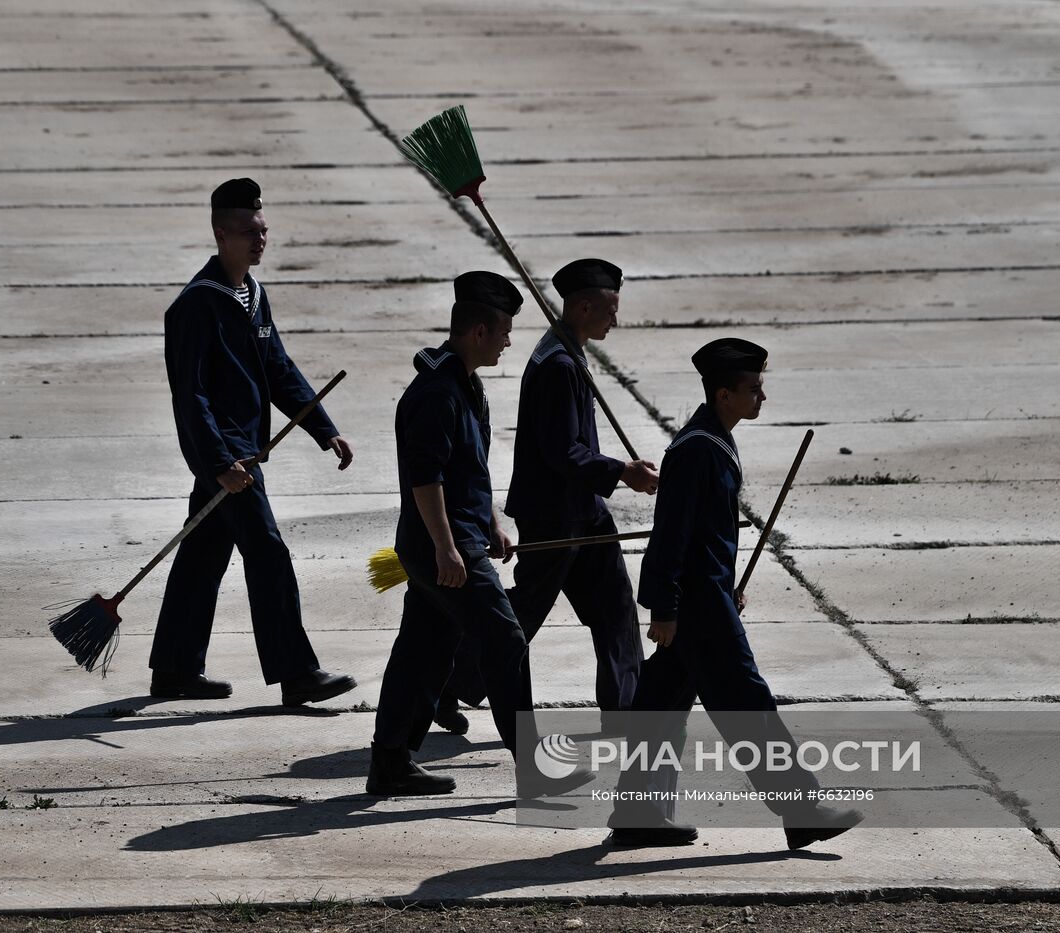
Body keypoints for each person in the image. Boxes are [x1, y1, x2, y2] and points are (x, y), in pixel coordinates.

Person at [605, 338, 863, 849]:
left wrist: (725, 585)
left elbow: (706, 535)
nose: (760, 398)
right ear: (724, 393)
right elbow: (671, 535)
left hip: (707, 595)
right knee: (747, 702)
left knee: (658, 704)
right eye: (752, 390)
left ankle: (637, 815)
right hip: (697, 607)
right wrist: (665, 606)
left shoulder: (714, 439)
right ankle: (803, 810)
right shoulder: (698, 449)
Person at [367, 270, 594, 799]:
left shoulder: (467, 387)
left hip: (456, 539)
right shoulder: (437, 395)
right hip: (441, 546)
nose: (510, 341)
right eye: (504, 332)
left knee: (423, 652)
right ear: (477, 333)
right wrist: (448, 547)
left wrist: (491, 522)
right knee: (506, 640)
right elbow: (426, 478)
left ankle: (390, 762)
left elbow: (469, 470)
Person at [149, 177, 357, 707]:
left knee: (202, 555)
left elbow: (278, 368)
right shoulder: (196, 306)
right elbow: (190, 396)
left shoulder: (252, 294)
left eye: (262, 230)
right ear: (220, 233)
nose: (259, 239)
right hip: (228, 455)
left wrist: (322, 427)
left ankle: (174, 669)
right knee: (268, 553)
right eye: (247, 232)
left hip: (242, 451)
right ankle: (297, 673)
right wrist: (218, 462)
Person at [437, 258, 655, 736]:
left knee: (616, 608)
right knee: (522, 614)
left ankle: (626, 711)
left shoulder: (567, 351)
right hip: (555, 514)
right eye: (609, 310)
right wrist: (622, 471)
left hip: (584, 511)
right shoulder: (557, 364)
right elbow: (563, 452)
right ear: (581, 306)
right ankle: (445, 680)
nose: (615, 320)